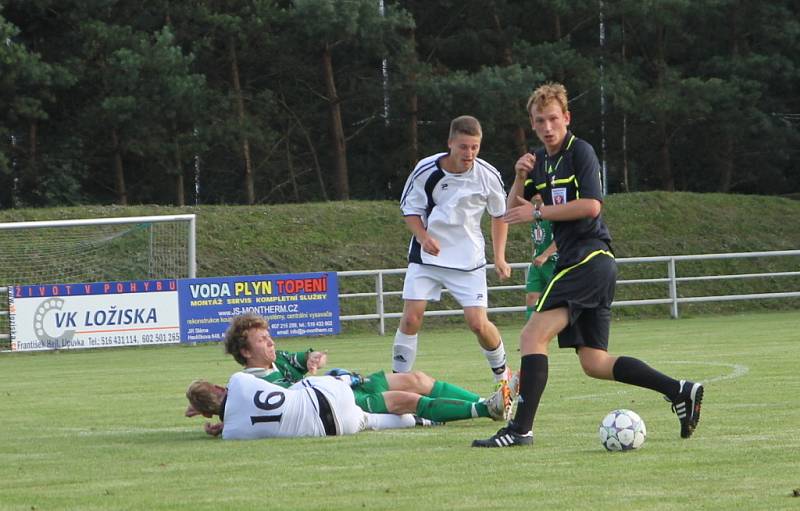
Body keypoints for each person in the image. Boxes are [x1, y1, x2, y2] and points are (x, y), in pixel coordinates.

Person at [472, 82, 704, 448]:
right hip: (590, 264)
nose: (547, 127)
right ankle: (680, 391)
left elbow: (592, 205)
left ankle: (520, 430)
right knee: (594, 362)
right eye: (539, 121)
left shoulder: (581, 151)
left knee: (533, 336)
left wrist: (538, 209)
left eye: (552, 119)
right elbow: (506, 210)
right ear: (532, 124)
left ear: (566, 118)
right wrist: (518, 178)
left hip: (588, 258)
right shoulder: (539, 160)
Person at [221, 313, 512, 426]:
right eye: (262, 340)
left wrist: (314, 360)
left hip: (352, 383)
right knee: (406, 399)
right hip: (342, 401)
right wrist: (221, 421)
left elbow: (308, 356)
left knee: (418, 378)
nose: (270, 341)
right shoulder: (251, 382)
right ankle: (486, 409)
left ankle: (495, 400)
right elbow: (262, 411)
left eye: (268, 335)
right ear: (245, 351)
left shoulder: (279, 358)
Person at [393, 115, 514, 385]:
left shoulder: (488, 175)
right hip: (427, 258)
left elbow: (499, 214)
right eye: (463, 147)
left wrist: (500, 257)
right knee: (412, 317)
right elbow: (409, 210)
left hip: (468, 260)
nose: (469, 153)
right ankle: (398, 382)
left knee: (478, 324)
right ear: (450, 143)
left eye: (474, 147)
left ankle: (504, 375)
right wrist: (423, 237)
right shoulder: (426, 170)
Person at [186, 373, 413, 439]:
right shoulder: (237, 380)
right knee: (299, 385)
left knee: (371, 421)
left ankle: (421, 420)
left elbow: (241, 416)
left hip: (334, 429)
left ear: (207, 413)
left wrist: (219, 420)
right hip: (330, 394)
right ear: (217, 386)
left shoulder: (232, 433)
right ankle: (350, 379)